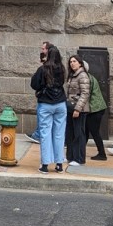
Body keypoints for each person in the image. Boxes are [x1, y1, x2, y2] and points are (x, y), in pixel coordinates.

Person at [29, 44, 67, 174]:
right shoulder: (62, 68)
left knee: (45, 134)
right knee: (59, 134)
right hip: (60, 103)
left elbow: (34, 84)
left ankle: (45, 164)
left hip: (45, 103)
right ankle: (59, 164)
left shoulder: (43, 69)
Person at [65, 54, 91, 166]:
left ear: (80, 63)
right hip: (70, 108)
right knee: (70, 133)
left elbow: (85, 94)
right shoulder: (72, 76)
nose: (72, 63)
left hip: (79, 110)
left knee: (79, 134)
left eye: (74, 61)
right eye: (71, 61)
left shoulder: (83, 76)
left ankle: (79, 159)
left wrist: (78, 109)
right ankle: (70, 157)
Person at [26, 41, 51, 144]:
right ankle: (38, 134)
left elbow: (36, 83)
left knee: (42, 116)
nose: (42, 51)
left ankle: (38, 135)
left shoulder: (45, 68)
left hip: (45, 97)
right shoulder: (55, 66)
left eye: (43, 49)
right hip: (51, 97)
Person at [84, 61, 107, 161]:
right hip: (97, 108)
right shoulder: (90, 76)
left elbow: (85, 95)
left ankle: (102, 154)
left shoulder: (86, 78)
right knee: (86, 131)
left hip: (95, 109)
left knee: (94, 131)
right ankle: (80, 150)